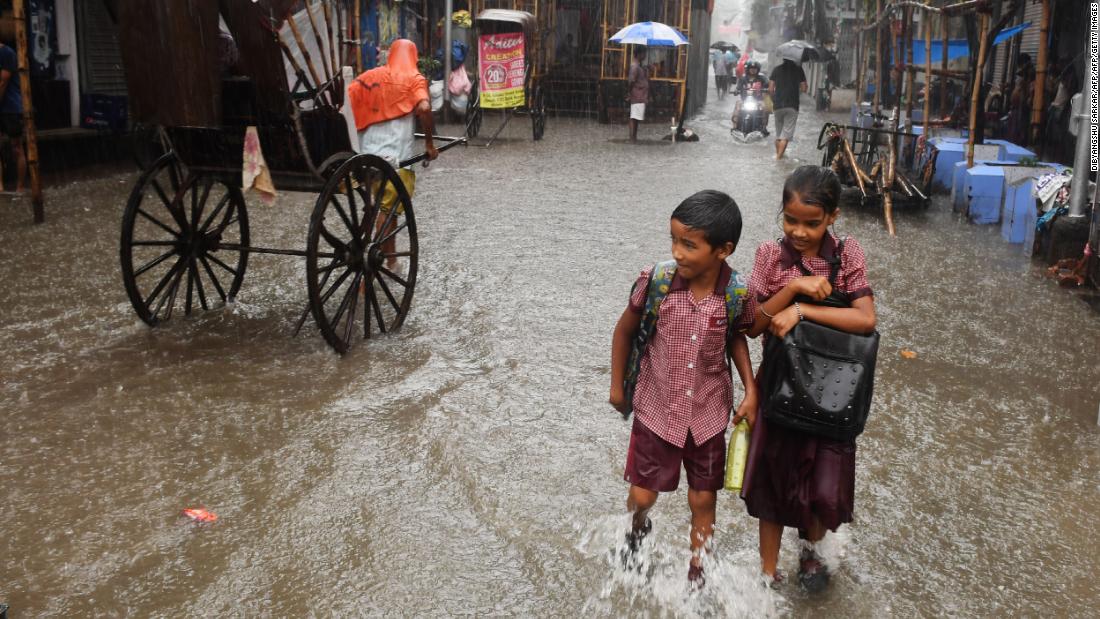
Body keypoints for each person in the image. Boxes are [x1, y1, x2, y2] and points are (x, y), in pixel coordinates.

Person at [609, 190, 759, 589]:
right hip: (656, 409)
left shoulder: (736, 294)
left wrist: (751, 389)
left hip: (708, 415)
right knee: (642, 496)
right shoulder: (656, 281)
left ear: (723, 250)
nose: (677, 252)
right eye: (674, 240)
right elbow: (625, 329)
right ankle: (635, 532)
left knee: (703, 499)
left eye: (689, 245)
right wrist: (617, 386)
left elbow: (737, 338)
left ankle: (698, 568)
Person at [740, 166, 877, 591]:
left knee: (823, 486)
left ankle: (811, 556)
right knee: (773, 486)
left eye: (811, 223)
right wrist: (795, 287)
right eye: (790, 220)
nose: (799, 231)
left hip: (833, 388)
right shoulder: (768, 255)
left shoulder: (847, 253)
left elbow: (865, 319)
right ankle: (767, 572)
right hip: (779, 386)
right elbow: (753, 324)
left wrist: (802, 310)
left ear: (833, 217)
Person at [347, 39, 437, 270]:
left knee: (373, 206)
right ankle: (375, 258)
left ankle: (391, 259)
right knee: (388, 210)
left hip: (364, 157)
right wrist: (429, 144)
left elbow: (346, 100)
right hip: (396, 159)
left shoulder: (369, 77)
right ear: (414, 58)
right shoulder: (414, 79)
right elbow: (425, 108)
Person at [768, 58, 807, 160]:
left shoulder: (776, 69)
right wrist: (796, 91)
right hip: (792, 105)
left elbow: (771, 89)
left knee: (779, 135)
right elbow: (804, 88)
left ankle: (779, 155)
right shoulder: (799, 70)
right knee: (785, 136)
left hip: (778, 106)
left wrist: (774, 100)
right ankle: (778, 160)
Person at [0, 41, 25, 192]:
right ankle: (0, 187)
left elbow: (3, 82)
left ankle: (20, 188)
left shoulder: (7, 53)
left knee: (17, 148)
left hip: (11, 108)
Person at [732, 60, 770, 136]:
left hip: (758, 101)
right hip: (744, 101)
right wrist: (736, 91)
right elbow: (738, 87)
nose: (753, 70)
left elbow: (768, 85)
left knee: (765, 108)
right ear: (748, 69)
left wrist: (767, 89)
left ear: (758, 69)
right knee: (737, 105)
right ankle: (734, 127)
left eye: (755, 68)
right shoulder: (743, 78)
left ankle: (764, 127)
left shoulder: (762, 78)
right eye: (751, 68)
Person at [627, 47, 649, 143]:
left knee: (636, 117)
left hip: (640, 95)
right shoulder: (635, 66)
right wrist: (629, 92)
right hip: (637, 95)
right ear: (639, 54)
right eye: (644, 53)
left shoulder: (638, 66)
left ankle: (634, 137)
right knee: (634, 117)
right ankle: (632, 138)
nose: (645, 56)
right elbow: (631, 81)